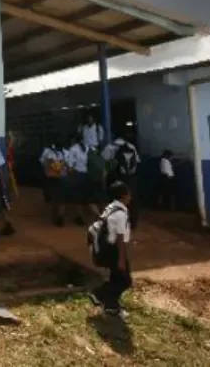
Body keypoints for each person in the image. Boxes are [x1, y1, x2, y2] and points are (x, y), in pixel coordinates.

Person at [88, 181, 133, 319]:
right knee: (125, 281)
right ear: (124, 195)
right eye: (129, 194)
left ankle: (111, 306)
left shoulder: (111, 207)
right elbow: (120, 238)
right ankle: (99, 295)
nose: (130, 197)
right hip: (114, 250)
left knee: (116, 277)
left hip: (108, 247)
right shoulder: (120, 214)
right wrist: (122, 259)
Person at [102, 133, 141, 227]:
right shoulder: (131, 147)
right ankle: (132, 222)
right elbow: (137, 162)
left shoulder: (110, 147)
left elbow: (105, 162)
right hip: (130, 177)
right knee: (130, 199)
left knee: (114, 199)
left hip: (115, 177)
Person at [64, 133, 95, 226]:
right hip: (90, 175)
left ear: (74, 140)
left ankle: (80, 218)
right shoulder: (90, 147)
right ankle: (99, 217)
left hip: (78, 175)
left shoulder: (73, 149)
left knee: (78, 199)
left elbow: (70, 167)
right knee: (89, 199)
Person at [40, 137, 66, 226]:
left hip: (53, 177)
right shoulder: (59, 153)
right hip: (58, 177)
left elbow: (45, 164)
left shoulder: (50, 153)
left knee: (55, 199)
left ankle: (57, 217)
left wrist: (48, 171)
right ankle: (59, 217)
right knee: (59, 199)